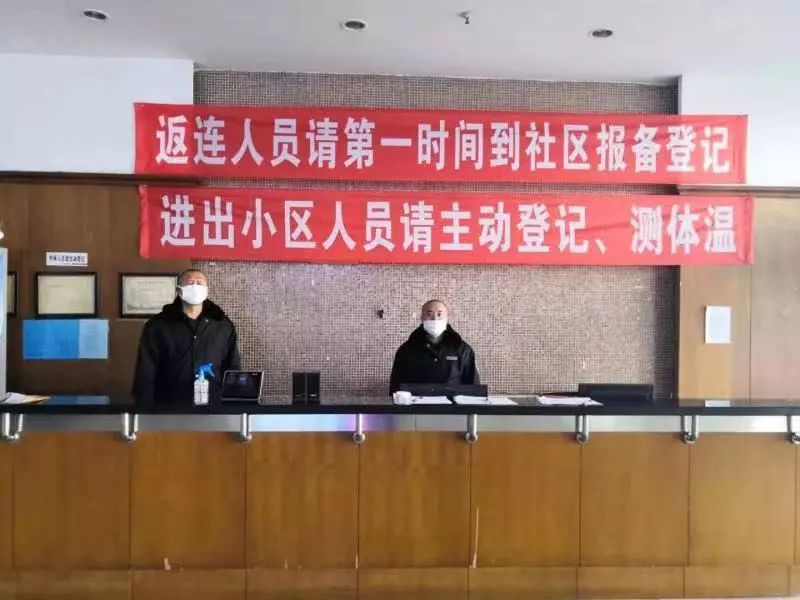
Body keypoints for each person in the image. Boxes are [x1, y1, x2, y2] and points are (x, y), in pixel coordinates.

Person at [133, 269, 241, 406]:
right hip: (169, 405)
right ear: (179, 290)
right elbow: (146, 371)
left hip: (213, 405)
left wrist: (233, 407)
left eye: (200, 283)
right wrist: (144, 408)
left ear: (207, 290)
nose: (195, 287)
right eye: (190, 283)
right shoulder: (158, 325)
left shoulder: (222, 325)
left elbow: (232, 368)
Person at [389, 299, 479, 394]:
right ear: (422, 318)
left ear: (446, 318)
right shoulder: (407, 349)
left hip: (452, 403)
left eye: (439, 314)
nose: (435, 319)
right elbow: (396, 385)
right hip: (417, 402)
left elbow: (473, 385)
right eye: (429, 314)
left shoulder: (462, 349)